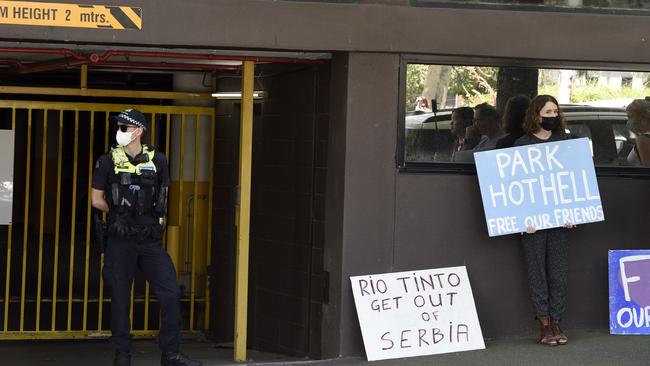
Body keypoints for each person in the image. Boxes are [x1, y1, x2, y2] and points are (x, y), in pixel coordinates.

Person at [91, 109, 202, 366]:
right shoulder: (107, 161)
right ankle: (122, 354)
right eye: (118, 127)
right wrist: (118, 212)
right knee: (120, 299)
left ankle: (171, 353)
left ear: (139, 130)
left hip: (150, 240)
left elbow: (162, 197)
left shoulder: (159, 160)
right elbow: (97, 200)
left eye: (124, 127)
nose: (119, 132)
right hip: (120, 239)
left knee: (171, 293)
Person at [514, 95, 576, 347]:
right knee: (537, 272)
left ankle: (557, 321)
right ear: (536, 114)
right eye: (547, 111)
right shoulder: (522, 144)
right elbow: (515, 186)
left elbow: (573, 180)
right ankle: (544, 326)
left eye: (555, 111)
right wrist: (522, 219)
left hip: (561, 221)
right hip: (533, 224)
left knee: (558, 273)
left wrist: (575, 213)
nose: (552, 116)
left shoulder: (567, 142)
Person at [625, 98, 650, 166]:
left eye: (630, 117)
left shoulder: (643, 139)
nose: (628, 121)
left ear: (643, 119)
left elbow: (646, 170)